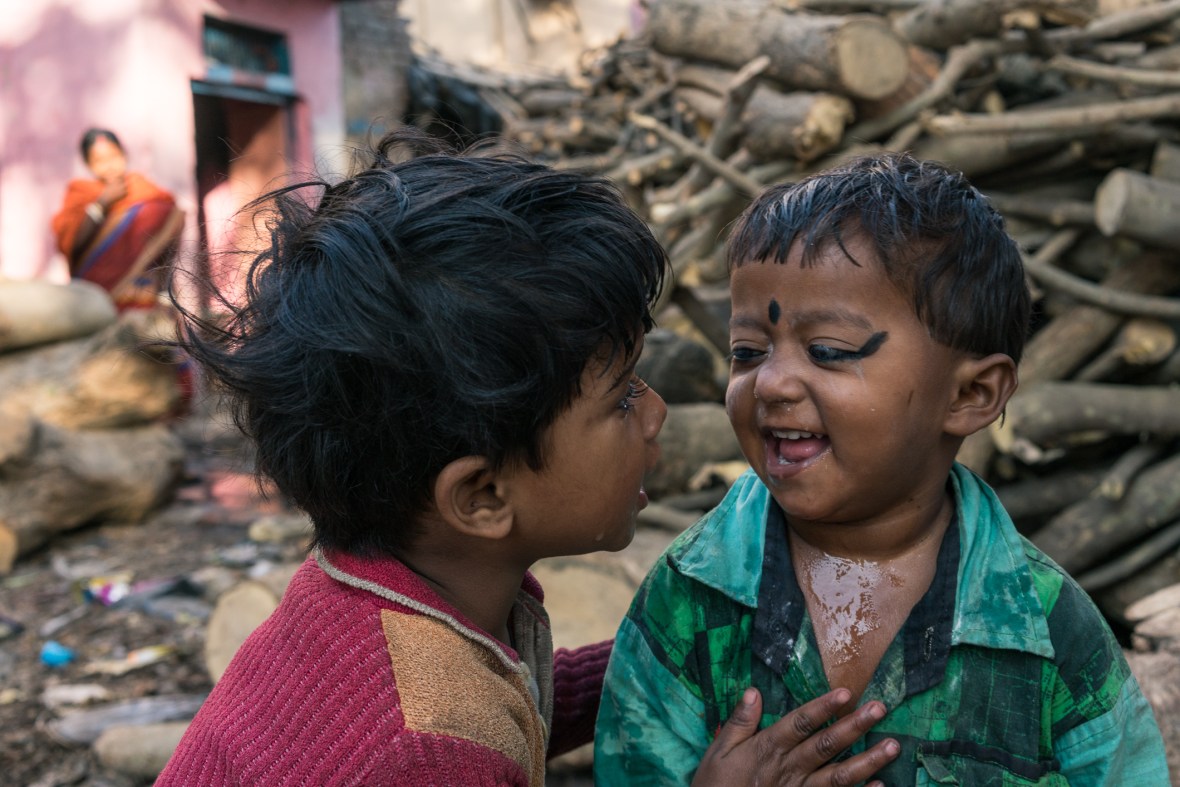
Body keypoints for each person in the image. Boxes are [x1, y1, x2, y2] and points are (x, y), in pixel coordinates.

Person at [595, 152, 1170, 785]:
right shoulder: (688, 600)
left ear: (970, 394)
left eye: (828, 351)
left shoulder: (1049, 632)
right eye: (748, 351)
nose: (772, 383)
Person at [51, 128, 185, 311]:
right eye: (99, 161)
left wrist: (165, 290)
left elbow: (170, 223)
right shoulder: (80, 192)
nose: (109, 166)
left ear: (124, 155)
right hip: (94, 290)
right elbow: (72, 244)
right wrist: (101, 204)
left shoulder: (141, 187)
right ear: (88, 165)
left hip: (140, 289)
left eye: (114, 157)